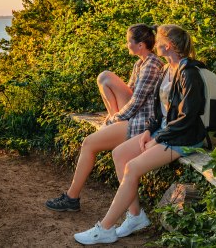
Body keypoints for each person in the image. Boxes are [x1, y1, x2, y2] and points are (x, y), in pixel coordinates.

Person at [73, 24, 208, 245]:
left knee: (132, 167)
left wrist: (158, 138)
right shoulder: (166, 70)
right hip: (163, 132)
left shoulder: (189, 73)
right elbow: (159, 110)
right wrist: (148, 131)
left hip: (184, 137)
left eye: (160, 39)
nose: (155, 42)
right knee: (119, 154)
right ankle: (135, 216)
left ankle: (105, 228)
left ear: (169, 45)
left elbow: (188, 117)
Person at [45, 24, 164, 212]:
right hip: (134, 117)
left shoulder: (151, 65)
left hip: (141, 122)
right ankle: (75, 197)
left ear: (140, 45)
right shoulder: (140, 63)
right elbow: (131, 91)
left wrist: (117, 118)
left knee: (89, 143)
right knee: (104, 77)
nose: (127, 45)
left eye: (129, 41)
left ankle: (72, 198)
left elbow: (137, 101)